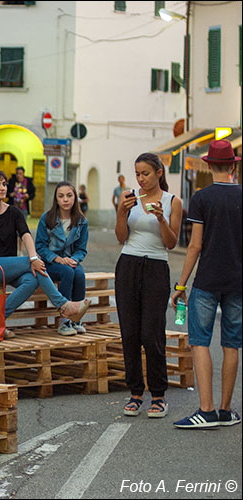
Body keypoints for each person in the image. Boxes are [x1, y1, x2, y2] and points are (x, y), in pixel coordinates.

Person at [0, 169, 89, 339]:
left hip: (9, 268)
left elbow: (26, 235)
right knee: (31, 263)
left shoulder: (13, 212)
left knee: (32, 278)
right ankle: (64, 306)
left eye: (4, 184)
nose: (3, 188)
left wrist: (33, 257)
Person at [171, 140, 241, 429]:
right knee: (232, 344)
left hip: (207, 280)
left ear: (209, 165)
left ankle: (206, 410)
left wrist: (181, 285)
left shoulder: (201, 198)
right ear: (234, 165)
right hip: (238, 282)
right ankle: (226, 411)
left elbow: (194, 246)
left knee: (200, 342)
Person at [114, 152, 182, 419]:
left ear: (159, 173)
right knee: (129, 332)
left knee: (151, 333)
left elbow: (171, 243)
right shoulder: (129, 197)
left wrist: (162, 219)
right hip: (128, 263)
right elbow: (121, 237)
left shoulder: (172, 201)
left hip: (155, 266)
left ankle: (158, 395)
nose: (141, 179)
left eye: (146, 173)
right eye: (138, 174)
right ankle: (135, 393)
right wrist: (121, 212)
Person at [35, 181, 89, 336]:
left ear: (75, 198)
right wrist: (58, 259)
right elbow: (40, 246)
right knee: (67, 272)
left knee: (78, 273)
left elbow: (81, 249)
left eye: (69, 195)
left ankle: (76, 319)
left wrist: (74, 259)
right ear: (56, 199)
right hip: (50, 263)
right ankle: (64, 322)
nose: (65, 199)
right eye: (61, 196)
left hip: (70, 261)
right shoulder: (47, 218)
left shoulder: (81, 221)